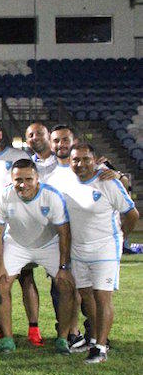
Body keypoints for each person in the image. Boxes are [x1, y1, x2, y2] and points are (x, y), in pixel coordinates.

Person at [50, 143, 138, 363]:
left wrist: (121, 236)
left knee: (102, 296)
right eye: (76, 160)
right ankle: (96, 338)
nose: (80, 164)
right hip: (79, 250)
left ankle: (100, 347)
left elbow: (132, 214)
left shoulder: (108, 182)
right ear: (70, 162)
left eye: (85, 159)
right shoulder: (67, 184)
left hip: (105, 249)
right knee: (87, 296)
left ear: (95, 159)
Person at [0, 159, 75, 354]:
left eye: (28, 179)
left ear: (38, 178)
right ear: (11, 179)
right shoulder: (5, 195)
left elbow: (64, 232)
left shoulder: (51, 196)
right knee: (1, 283)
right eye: (18, 179)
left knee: (66, 284)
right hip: (17, 243)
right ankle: (8, 338)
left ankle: (63, 338)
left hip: (48, 243)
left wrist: (63, 267)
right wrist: (1, 265)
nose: (23, 184)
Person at [0, 117, 40, 344]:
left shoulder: (17, 157)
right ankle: (1, 328)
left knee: (26, 278)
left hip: (19, 227)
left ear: (0, 134)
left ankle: (34, 328)